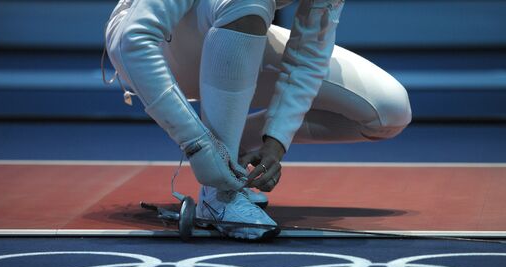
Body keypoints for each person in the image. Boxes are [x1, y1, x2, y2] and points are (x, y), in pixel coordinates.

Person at [104, 0, 412, 240]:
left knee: (387, 109)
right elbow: (132, 40)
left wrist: (276, 141)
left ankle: (231, 156)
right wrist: (197, 144)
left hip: (236, 28)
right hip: (162, 48)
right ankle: (220, 197)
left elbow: (308, 56)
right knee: (250, 2)